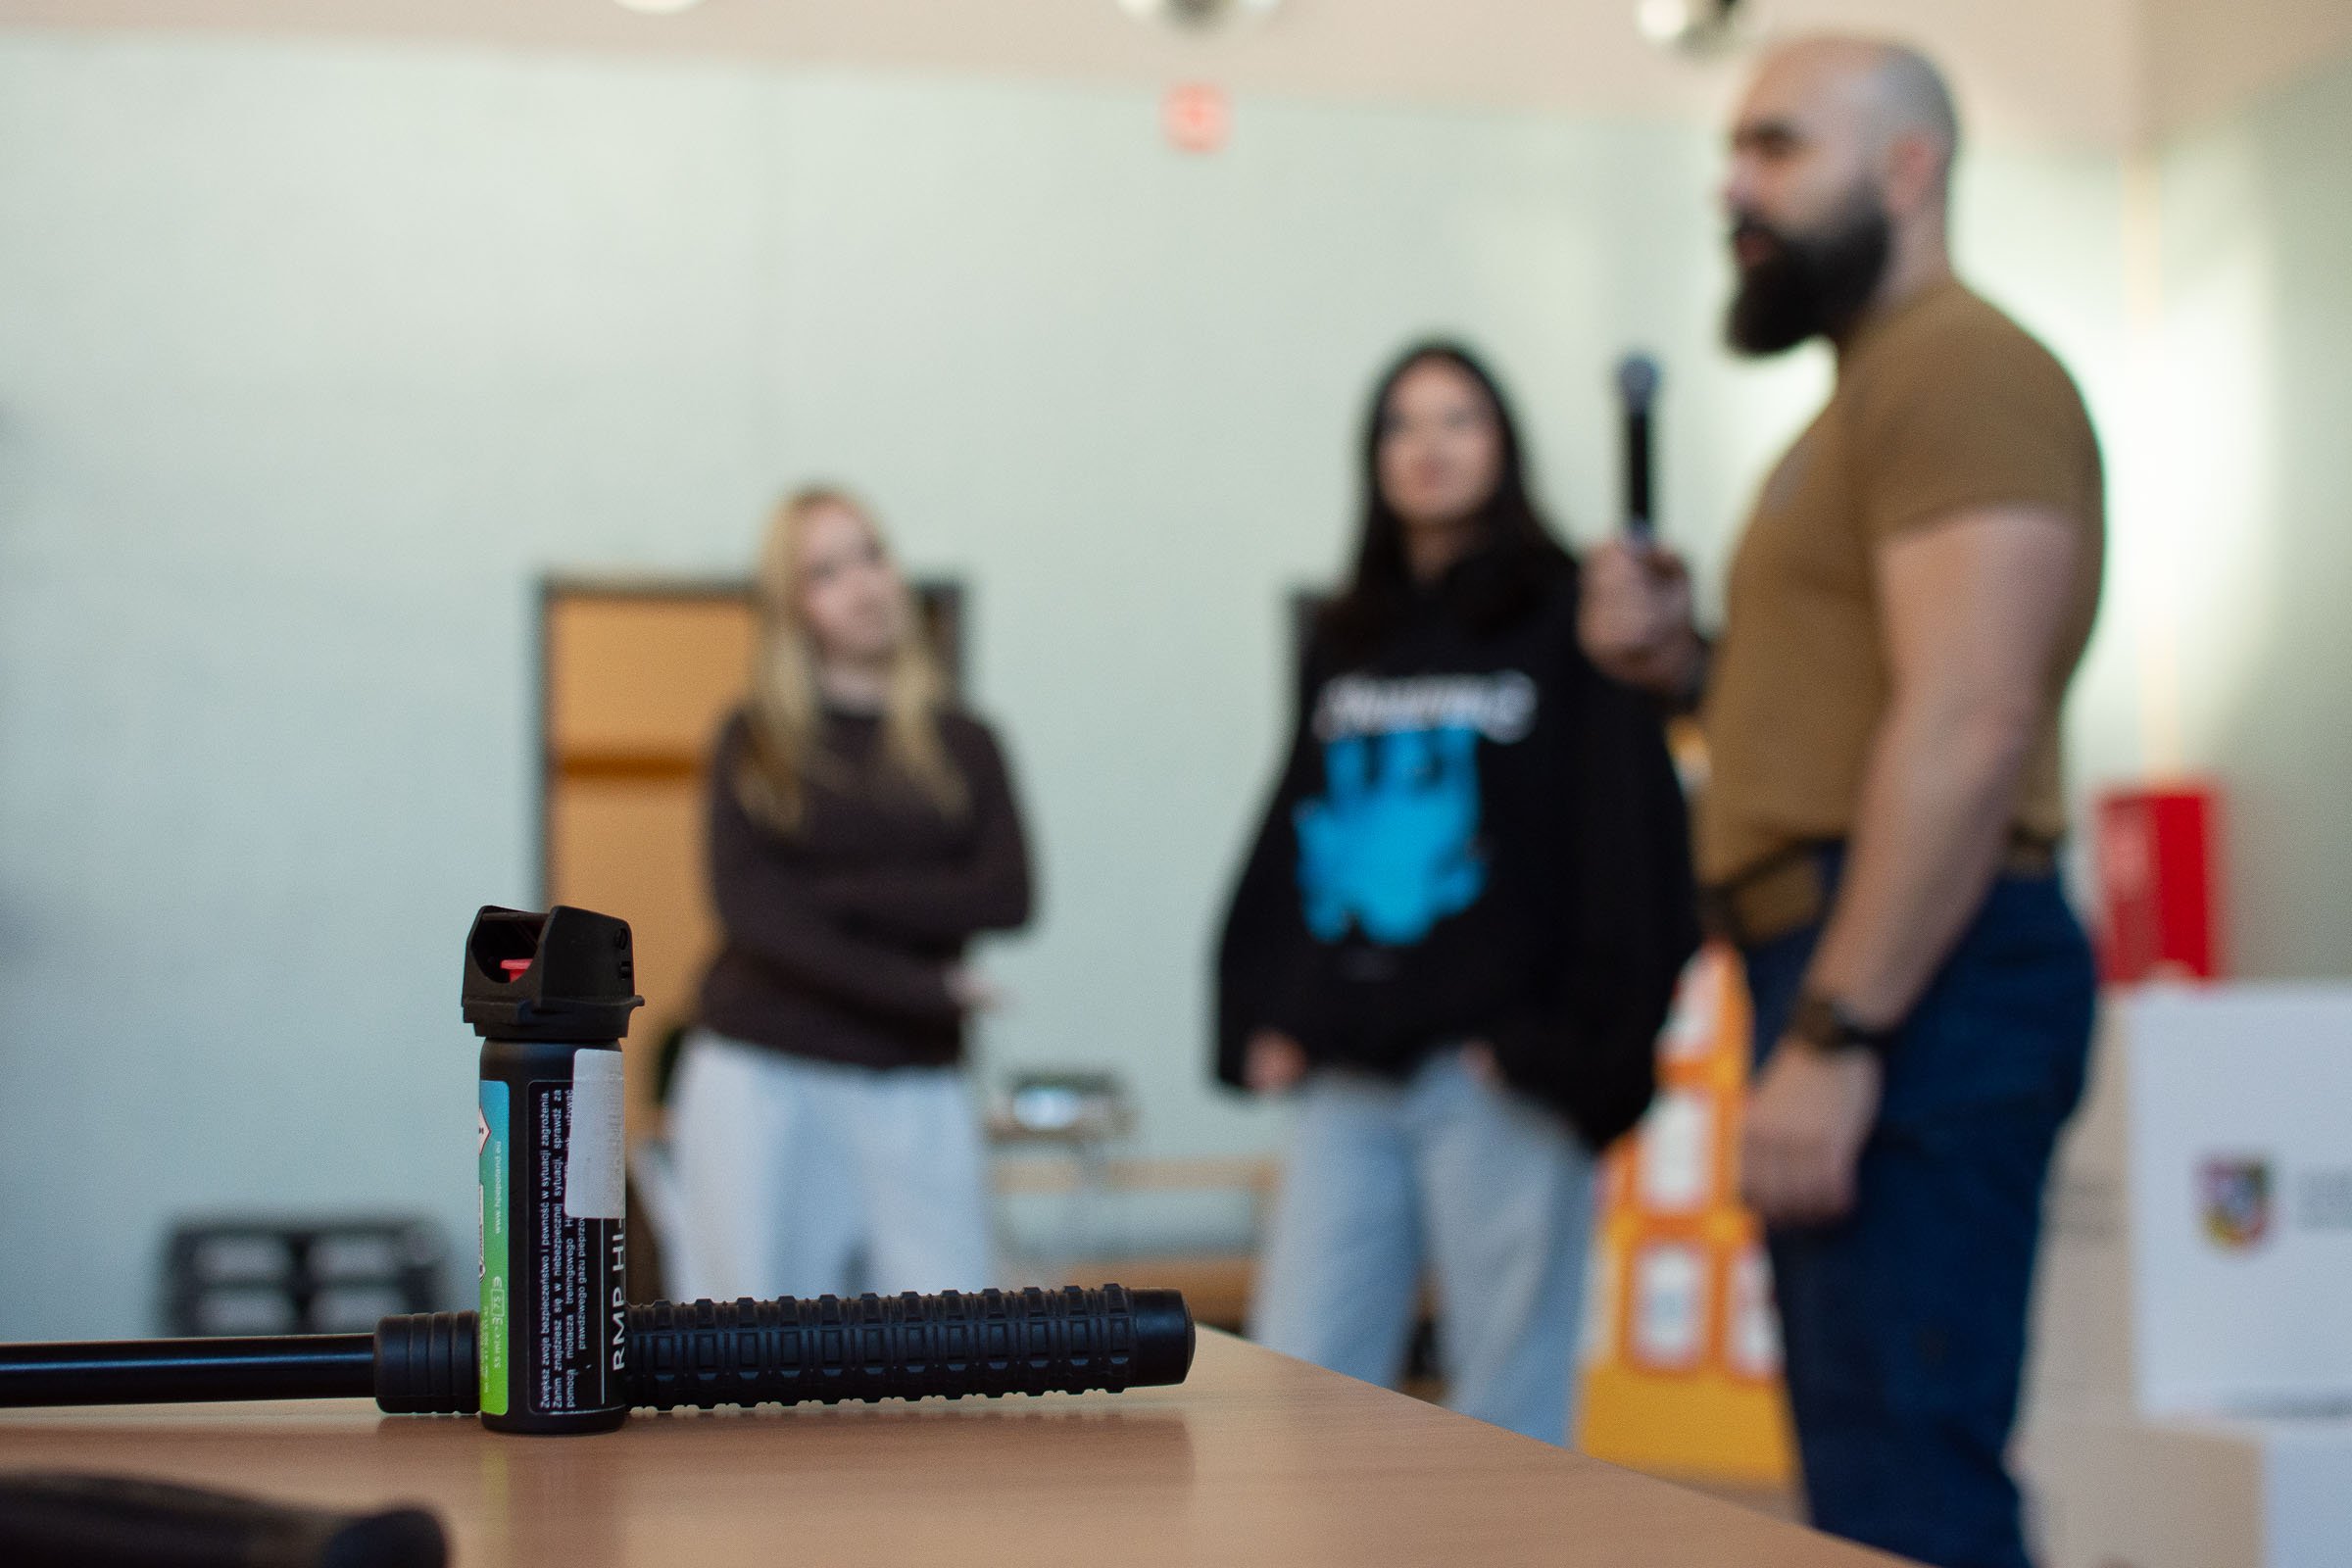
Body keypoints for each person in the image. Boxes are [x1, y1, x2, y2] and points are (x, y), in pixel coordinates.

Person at [1579, 38, 2103, 1568]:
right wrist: (1686, 666)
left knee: (1910, 1493)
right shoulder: (1862, 402)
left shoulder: (1960, 370)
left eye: (1777, 147)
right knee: (1872, 1485)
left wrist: (1841, 1031)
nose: (1732, 188)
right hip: (1865, 967)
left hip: (1920, 977)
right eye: (1733, 153)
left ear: (1907, 168)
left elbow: (1972, 719)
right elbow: (1855, 711)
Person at [1216, 341, 1697, 1446]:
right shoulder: (1349, 637)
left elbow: (1627, 841)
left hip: (1499, 1071)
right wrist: (1267, 1005)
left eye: (1458, 419)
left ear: (1504, 445)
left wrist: (1572, 1042)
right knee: (1295, 1389)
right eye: (1402, 423)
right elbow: (1297, 817)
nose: (1428, 446)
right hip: (1351, 1066)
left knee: (1508, 1409)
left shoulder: (1573, 615)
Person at [668, 487, 1034, 1302]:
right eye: (825, 572)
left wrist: (837, 894)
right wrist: (923, 986)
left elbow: (1007, 896)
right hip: (762, 1072)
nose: (863, 585)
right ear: (792, 606)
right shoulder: (754, 741)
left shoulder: (966, 742)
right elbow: (753, 915)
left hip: (915, 1076)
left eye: (871, 554)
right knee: (747, 1330)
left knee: (947, 1331)